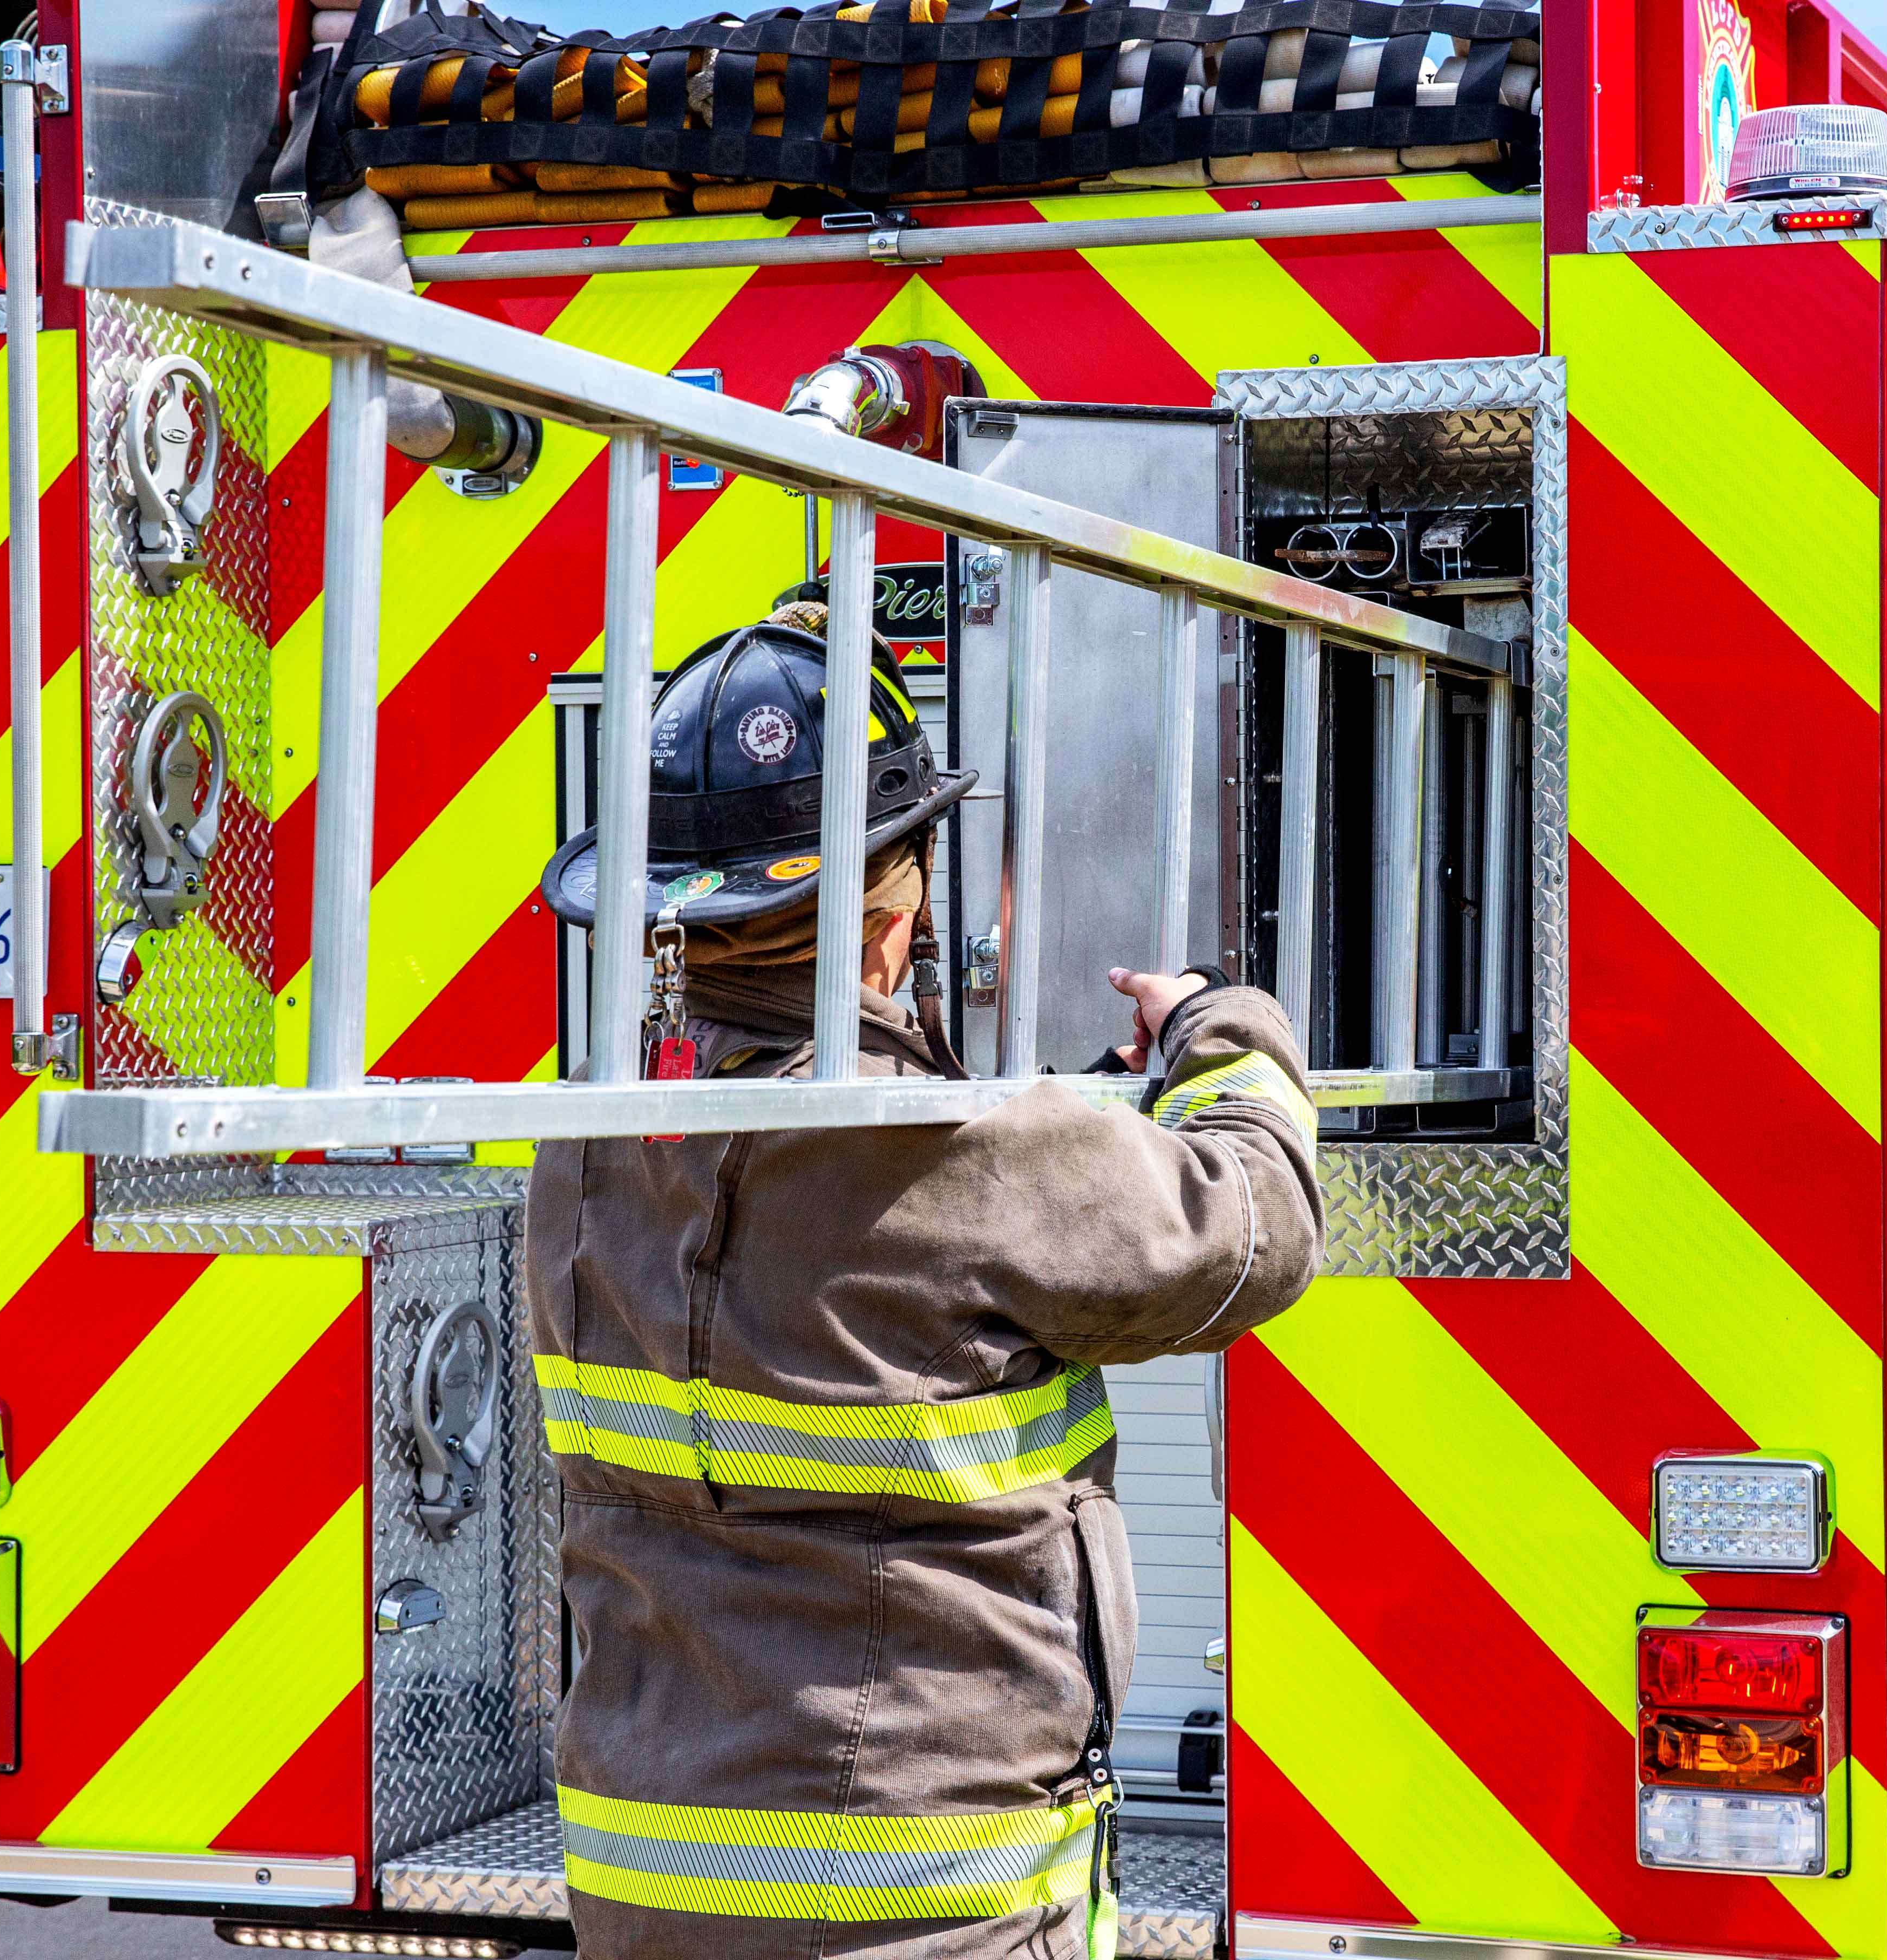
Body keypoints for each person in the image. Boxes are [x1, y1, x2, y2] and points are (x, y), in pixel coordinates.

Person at [527, 616, 1325, 1960]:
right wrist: (1212, 1032)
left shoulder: (587, 1147)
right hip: (922, 1906)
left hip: (641, 1888)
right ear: (894, 917)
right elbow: (1255, 1225)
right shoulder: (966, 1149)